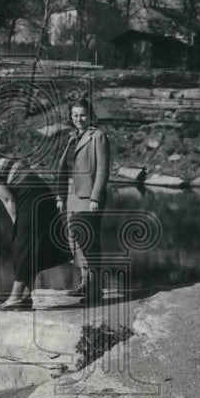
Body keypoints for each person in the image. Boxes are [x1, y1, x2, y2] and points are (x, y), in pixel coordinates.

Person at [0, 157, 71, 311]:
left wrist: (17, 223)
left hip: (30, 192)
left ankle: (15, 298)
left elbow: (9, 198)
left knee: (22, 246)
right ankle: (26, 298)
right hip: (41, 189)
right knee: (33, 245)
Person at [55, 99, 111, 301]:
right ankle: (85, 284)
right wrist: (61, 195)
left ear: (91, 115)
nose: (79, 119)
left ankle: (96, 291)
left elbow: (103, 170)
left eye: (83, 115)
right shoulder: (72, 139)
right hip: (71, 196)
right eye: (75, 115)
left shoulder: (98, 136)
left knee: (89, 242)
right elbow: (64, 169)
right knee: (76, 244)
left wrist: (96, 197)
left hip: (89, 197)